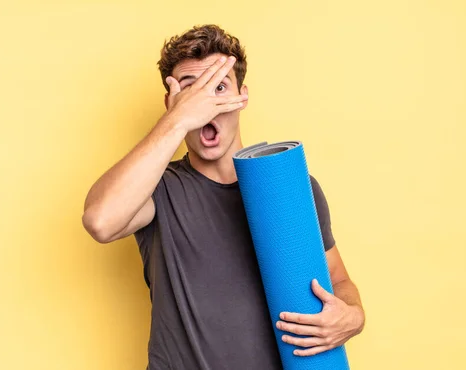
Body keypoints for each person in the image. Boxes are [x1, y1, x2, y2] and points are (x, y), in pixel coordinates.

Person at [82, 24, 365, 370]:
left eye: (218, 88)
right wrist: (177, 120)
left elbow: (337, 280)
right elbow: (100, 220)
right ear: (172, 103)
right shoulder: (157, 188)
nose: (207, 106)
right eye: (191, 92)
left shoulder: (288, 187)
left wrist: (353, 316)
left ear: (242, 96)